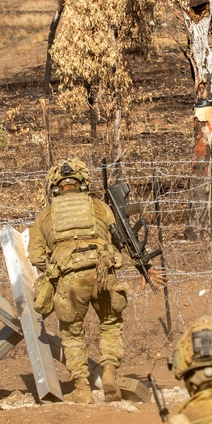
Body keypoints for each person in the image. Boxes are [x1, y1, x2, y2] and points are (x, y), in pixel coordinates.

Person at [27, 158, 129, 404]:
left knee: (72, 333)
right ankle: (110, 374)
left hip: (70, 278)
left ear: (55, 186)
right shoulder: (100, 207)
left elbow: (36, 255)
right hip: (103, 273)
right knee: (110, 324)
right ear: (83, 183)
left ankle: (82, 389)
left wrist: (54, 266)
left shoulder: (45, 215)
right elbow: (117, 238)